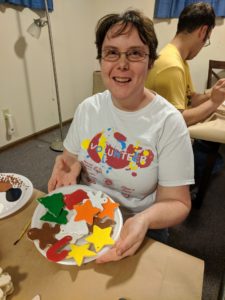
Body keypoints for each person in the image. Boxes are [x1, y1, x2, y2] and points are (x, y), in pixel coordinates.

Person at [48, 9, 194, 263]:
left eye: (135, 53)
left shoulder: (169, 123)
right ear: (101, 60)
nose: (122, 64)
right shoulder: (87, 109)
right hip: (88, 217)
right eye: (112, 52)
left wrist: (144, 219)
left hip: (141, 228)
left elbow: (178, 203)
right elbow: (70, 160)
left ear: (150, 62)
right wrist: (68, 169)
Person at [145, 2, 225, 187]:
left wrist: (213, 93)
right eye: (207, 39)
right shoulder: (172, 65)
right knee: (216, 159)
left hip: (169, 137)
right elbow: (180, 119)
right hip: (161, 147)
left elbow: (191, 98)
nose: (204, 44)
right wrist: (214, 102)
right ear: (203, 31)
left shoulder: (180, 59)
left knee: (213, 151)